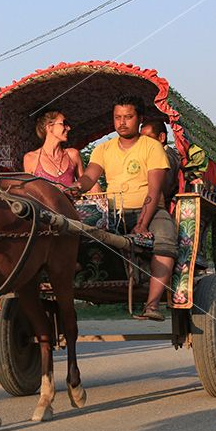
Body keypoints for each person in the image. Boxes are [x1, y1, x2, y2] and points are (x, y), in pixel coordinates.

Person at [71, 97, 176, 321]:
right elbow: (89, 176)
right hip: (114, 213)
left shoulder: (152, 147)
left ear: (139, 119)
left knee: (165, 242)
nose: (122, 122)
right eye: (117, 117)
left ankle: (152, 304)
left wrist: (142, 224)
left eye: (128, 117)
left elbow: (154, 190)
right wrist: (76, 188)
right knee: (76, 234)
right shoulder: (103, 149)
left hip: (150, 210)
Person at [23, 110, 86, 188]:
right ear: (49, 127)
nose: (69, 128)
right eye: (64, 123)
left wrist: (92, 186)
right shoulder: (31, 158)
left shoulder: (72, 154)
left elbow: (85, 184)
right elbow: (30, 191)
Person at [140, 118, 180, 210]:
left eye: (148, 139)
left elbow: (161, 189)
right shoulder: (167, 155)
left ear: (162, 137)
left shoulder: (166, 157)